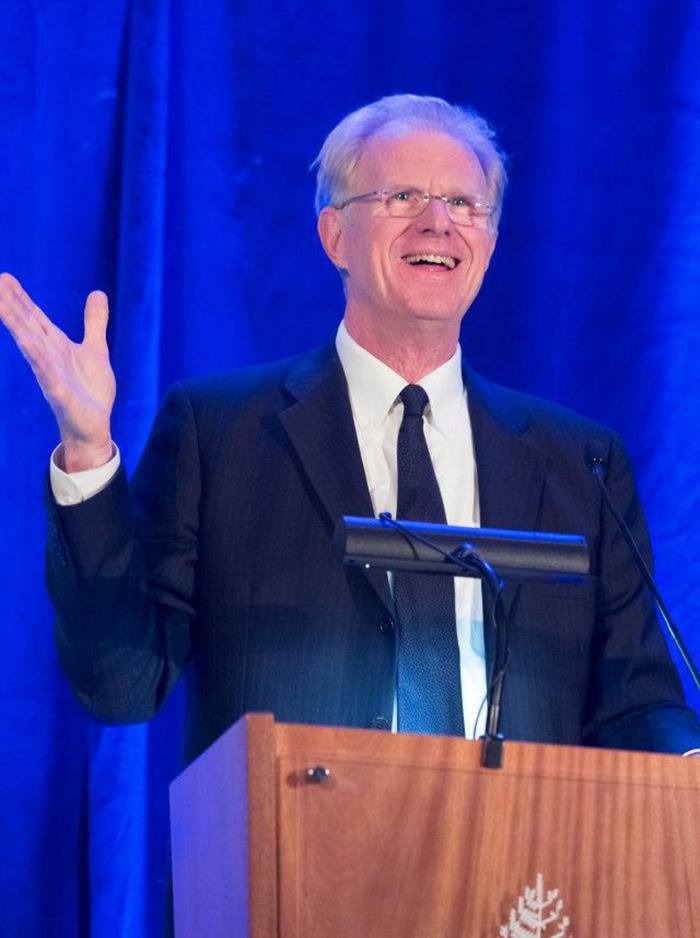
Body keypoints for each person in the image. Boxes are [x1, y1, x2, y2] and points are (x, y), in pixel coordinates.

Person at [1, 93, 699, 766]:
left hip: (521, 879)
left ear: (487, 241)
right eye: (402, 197)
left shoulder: (580, 462)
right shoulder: (218, 434)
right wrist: (89, 453)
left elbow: (637, 705)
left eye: (462, 203)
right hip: (297, 872)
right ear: (335, 235)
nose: (438, 223)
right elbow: (122, 684)